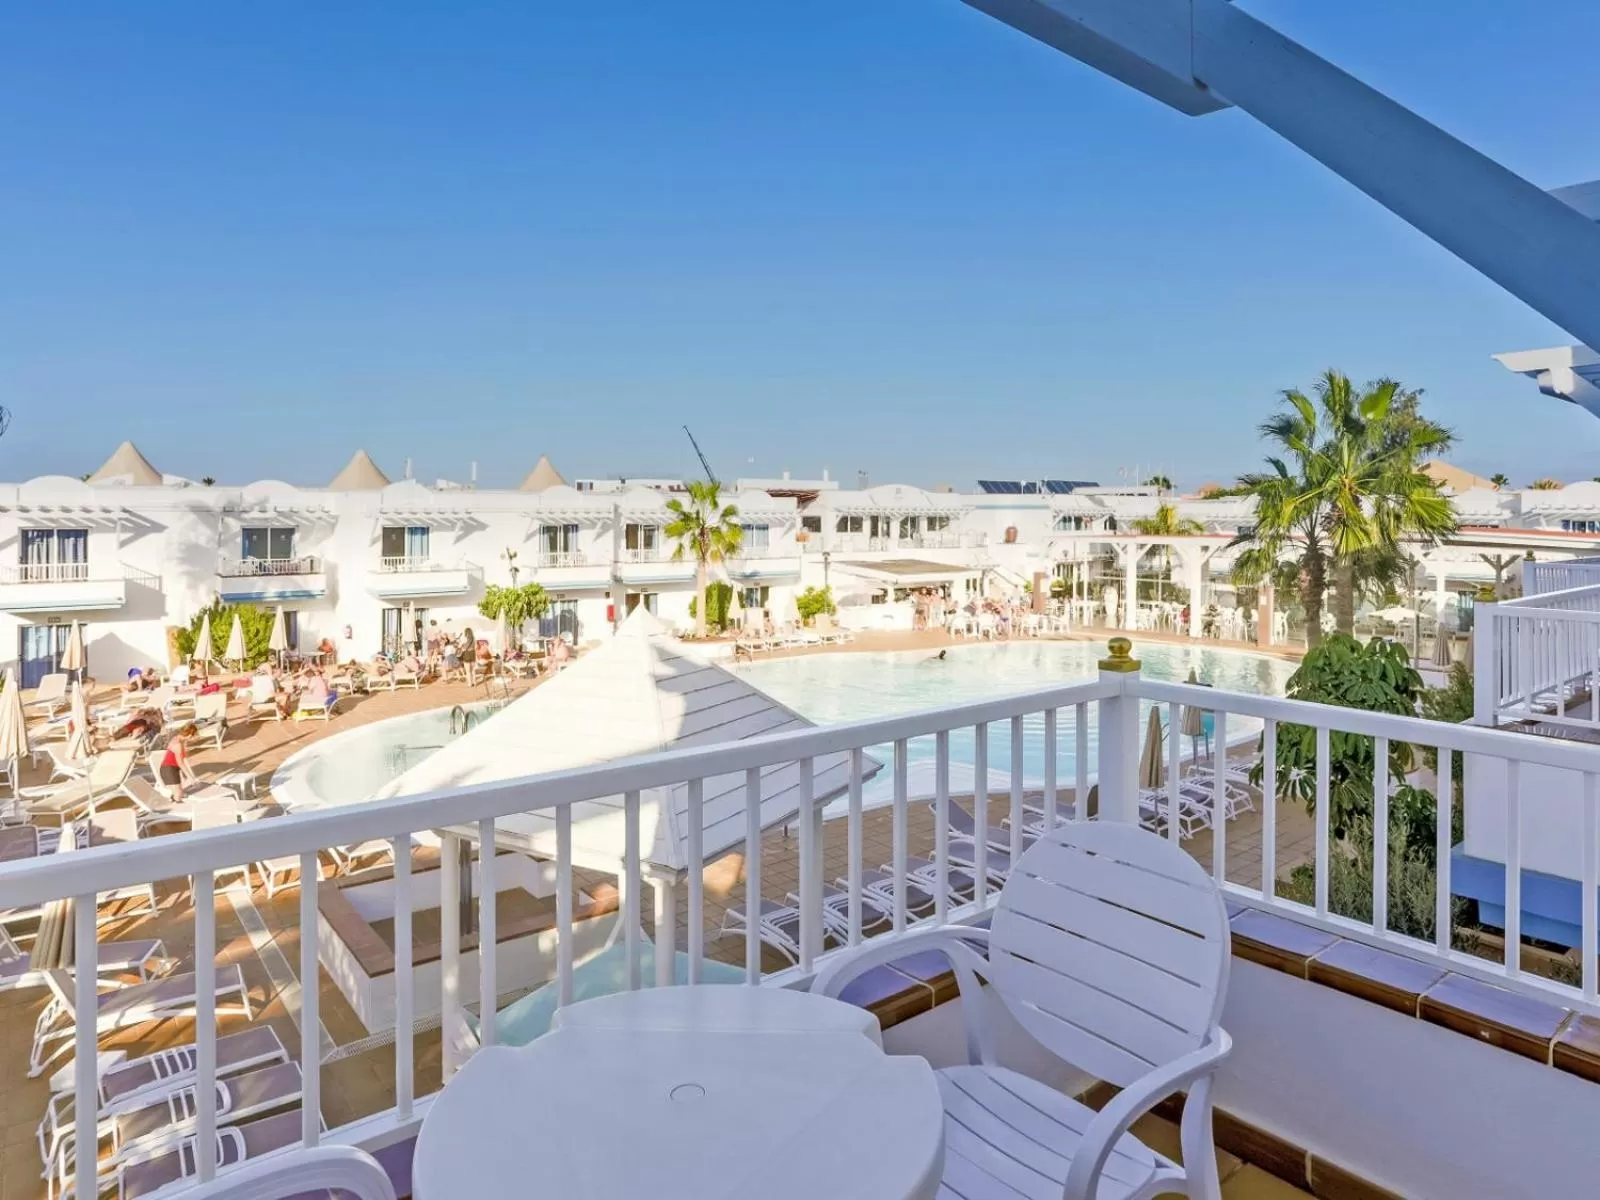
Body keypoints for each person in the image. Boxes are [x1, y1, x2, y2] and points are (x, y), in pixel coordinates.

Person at [158, 724, 201, 799]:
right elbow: (180, 763)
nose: (193, 738)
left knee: (182, 794)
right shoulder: (178, 745)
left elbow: (179, 763)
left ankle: (172, 797)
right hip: (169, 770)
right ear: (190, 735)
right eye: (193, 735)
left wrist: (183, 777)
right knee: (178, 796)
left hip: (172, 769)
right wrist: (189, 777)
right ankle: (170, 799)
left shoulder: (178, 738)